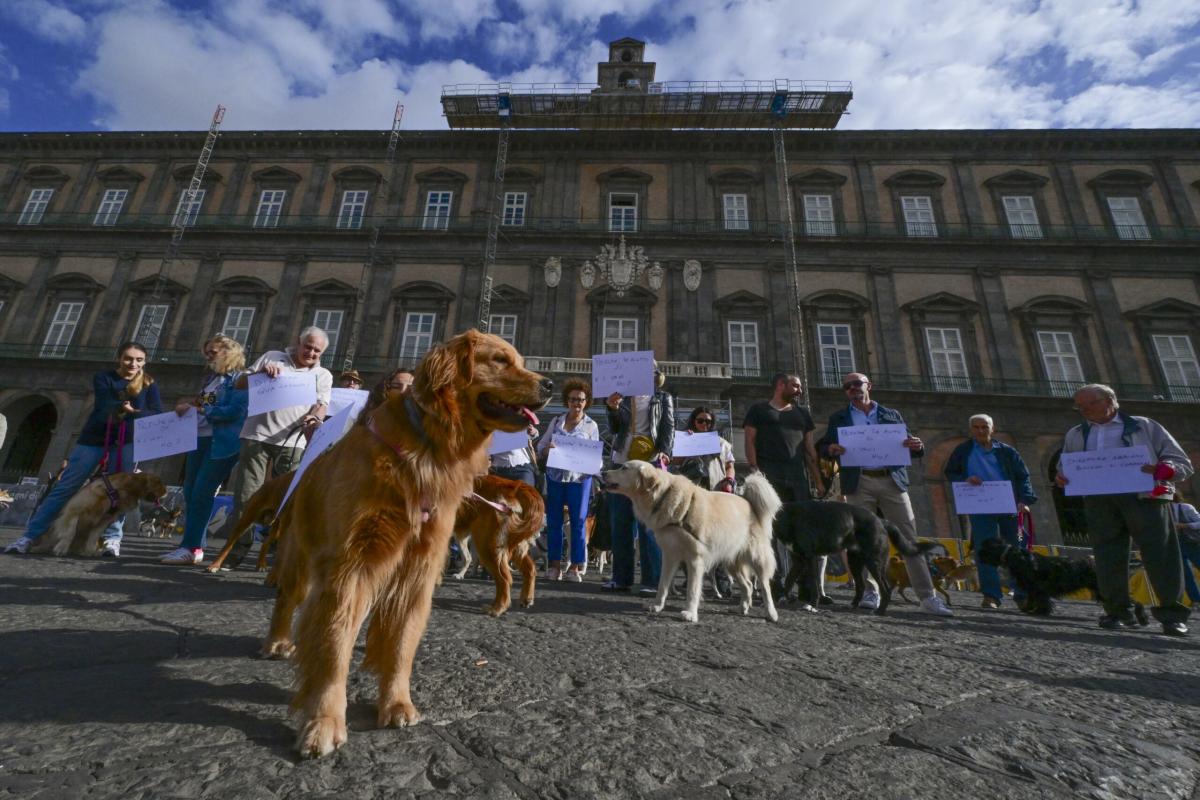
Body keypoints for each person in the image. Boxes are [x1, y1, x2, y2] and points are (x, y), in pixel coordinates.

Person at [1056, 383, 1192, 637]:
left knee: (1161, 554)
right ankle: (1117, 611)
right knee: (1107, 556)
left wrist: (1167, 470)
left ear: (1110, 400)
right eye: (1080, 406)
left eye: (1090, 404)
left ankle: (1172, 615)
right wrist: (1062, 477)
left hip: (1145, 497)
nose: (1084, 410)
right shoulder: (1076, 433)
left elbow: (1179, 460)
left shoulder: (1145, 426)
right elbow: (1065, 466)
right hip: (1099, 500)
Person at [5, 341, 162, 556]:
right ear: (119, 358)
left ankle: (112, 540)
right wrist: (123, 408)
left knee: (124, 493)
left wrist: (133, 412)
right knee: (66, 486)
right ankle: (30, 536)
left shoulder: (149, 384)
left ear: (145, 361)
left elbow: (156, 412)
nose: (133, 363)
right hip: (94, 438)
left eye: (139, 359)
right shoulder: (104, 377)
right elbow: (103, 405)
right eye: (128, 358)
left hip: (127, 441)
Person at [817, 372, 952, 616]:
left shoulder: (892, 415)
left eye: (856, 383)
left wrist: (917, 446)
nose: (852, 389)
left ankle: (927, 596)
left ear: (869, 386)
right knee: (862, 539)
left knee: (908, 537)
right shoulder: (839, 417)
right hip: (859, 482)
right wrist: (830, 448)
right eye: (847, 386)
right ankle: (871, 591)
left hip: (891, 480)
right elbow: (823, 446)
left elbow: (910, 445)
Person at [220, 327, 332, 569]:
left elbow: (321, 405)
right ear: (298, 342)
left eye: (317, 350)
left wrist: (315, 419)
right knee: (246, 496)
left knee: (288, 499)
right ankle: (238, 548)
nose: (311, 352)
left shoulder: (323, 375)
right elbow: (239, 383)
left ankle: (279, 551)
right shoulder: (272, 356)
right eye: (308, 346)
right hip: (256, 436)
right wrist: (260, 373)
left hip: (293, 442)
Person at [160, 334, 248, 566]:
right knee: (190, 492)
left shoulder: (240, 380)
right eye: (207, 352)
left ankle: (190, 547)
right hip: (198, 438)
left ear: (229, 353)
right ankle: (195, 546)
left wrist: (203, 412)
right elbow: (205, 403)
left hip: (220, 443)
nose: (208, 356)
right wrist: (189, 406)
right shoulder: (214, 380)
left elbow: (234, 412)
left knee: (201, 492)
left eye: (213, 352)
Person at [943, 414, 1037, 609]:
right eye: (976, 427)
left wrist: (1024, 500)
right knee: (985, 550)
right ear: (971, 430)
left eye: (984, 427)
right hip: (980, 506)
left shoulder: (1007, 452)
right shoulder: (962, 451)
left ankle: (1022, 593)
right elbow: (951, 472)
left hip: (1008, 505)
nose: (980, 431)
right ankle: (991, 596)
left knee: (1017, 550)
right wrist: (966, 478)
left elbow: (1023, 476)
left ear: (992, 429)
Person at [744, 373, 825, 596]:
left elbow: (810, 451)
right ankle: (773, 584)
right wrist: (754, 470)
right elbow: (749, 440)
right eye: (795, 386)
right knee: (767, 532)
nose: (799, 390)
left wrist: (817, 480)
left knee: (802, 533)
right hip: (768, 479)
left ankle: (808, 589)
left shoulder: (802, 414)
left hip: (797, 480)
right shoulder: (758, 410)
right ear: (781, 385)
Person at [602, 365, 674, 595]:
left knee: (649, 525)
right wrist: (611, 408)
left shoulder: (662, 398)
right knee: (620, 521)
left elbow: (668, 427)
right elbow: (614, 428)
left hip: (649, 464)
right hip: (622, 463)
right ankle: (620, 578)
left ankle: (652, 581)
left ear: (654, 376)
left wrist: (665, 450)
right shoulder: (620, 398)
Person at [535, 378, 600, 582]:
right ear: (567, 401)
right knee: (554, 522)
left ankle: (575, 566)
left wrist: (589, 463)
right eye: (572, 399)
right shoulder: (556, 422)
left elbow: (597, 460)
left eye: (580, 399)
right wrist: (547, 450)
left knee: (579, 523)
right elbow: (540, 447)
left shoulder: (591, 426)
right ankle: (554, 566)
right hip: (555, 478)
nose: (576, 403)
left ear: (586, 401)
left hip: (580, 480)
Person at [1171, 494, 1200, 605]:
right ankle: (1196, 601)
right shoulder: (1159, 512)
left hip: (1191, 543)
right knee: (1186, 574)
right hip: (1175, 545)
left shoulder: (1185, 508)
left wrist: (1185, 525)